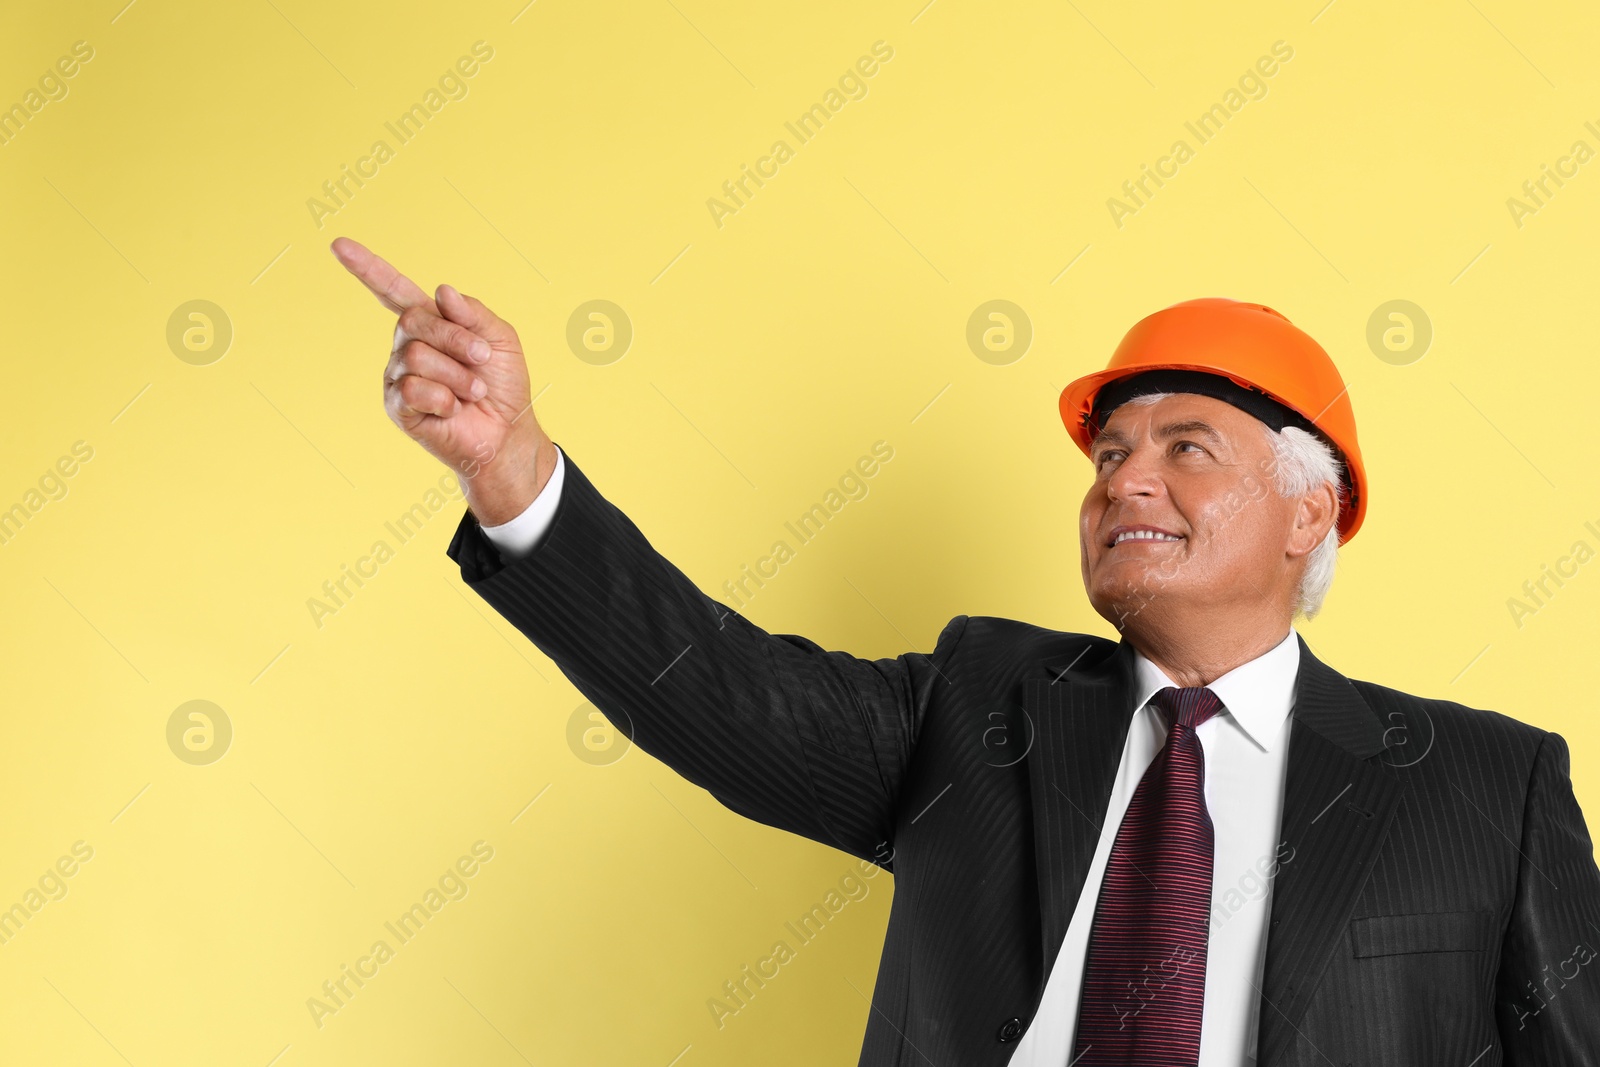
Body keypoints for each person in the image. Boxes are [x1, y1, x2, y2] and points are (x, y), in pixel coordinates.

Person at [333, 235, 1600, 1066]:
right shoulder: (974, 709)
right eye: (1109, 455)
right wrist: (512, 474)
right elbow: (714, 689)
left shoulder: (1486, 787)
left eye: (1184, 448)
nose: (1123, 483)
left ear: (1309, 509)